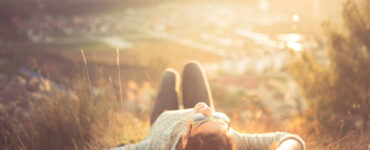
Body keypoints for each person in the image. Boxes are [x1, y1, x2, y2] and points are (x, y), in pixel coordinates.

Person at [111, 61, 305, 150]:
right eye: (220, 118)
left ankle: (172, 78)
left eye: (201, 119)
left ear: (185, 139)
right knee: (192, 68)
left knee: (170, 75)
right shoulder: (232, 140)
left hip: (164, 117)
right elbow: (288, 138)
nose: (208, 110)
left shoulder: (157, 144)